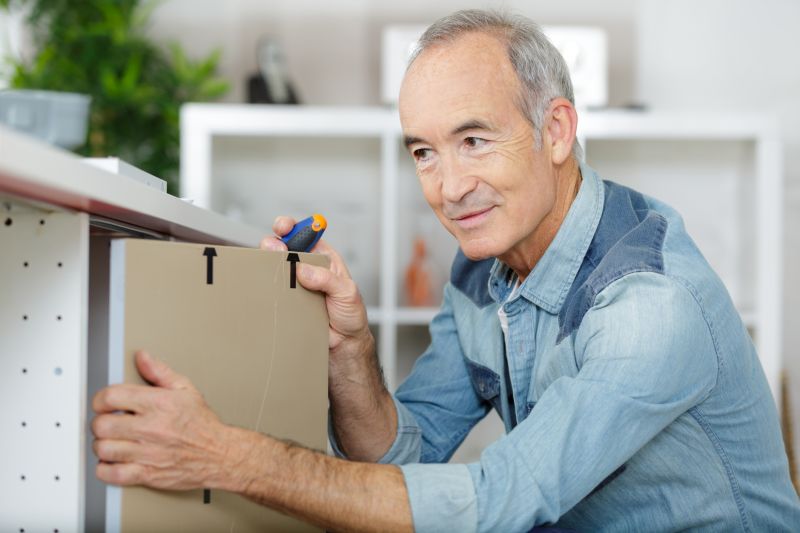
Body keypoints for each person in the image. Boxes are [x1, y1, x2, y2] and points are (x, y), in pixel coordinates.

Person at [91, 9, 800, 532]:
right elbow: (405, 452)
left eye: (474, 139)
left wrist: (222, 455)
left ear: (555, 131)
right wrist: (350, 345)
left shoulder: (647, 305)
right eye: (424, 152)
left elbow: (496, 502)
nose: (448, 187)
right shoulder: (483, 270)